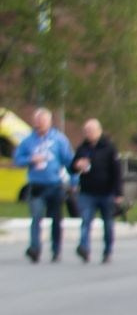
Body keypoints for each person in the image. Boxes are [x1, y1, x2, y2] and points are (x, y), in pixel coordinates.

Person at [15, 108, 74, 264]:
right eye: (37, 121)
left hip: (55, 185)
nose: (39, 124)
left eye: (43, 121)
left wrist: (74, 181)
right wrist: (30, 159)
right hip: (36, 185)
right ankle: (35, 248)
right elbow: (18, 160)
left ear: (49, 122)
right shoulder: (28, 141)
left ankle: (56, 250)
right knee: (36, 217)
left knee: (56, 219)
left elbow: (69, 161)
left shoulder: (59, 140)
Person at [72, 118, 123, 265]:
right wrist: (77, 165)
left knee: (107, 224)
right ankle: (84, 248)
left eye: (91, 130)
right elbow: (72, 167)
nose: (89, 133)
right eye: (86, 131)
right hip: (87, 192)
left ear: (99, 131)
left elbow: (117, 172)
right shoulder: (82, 148)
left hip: (106, 192)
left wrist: (118, 194)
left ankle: (107, 251)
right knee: (85, 220)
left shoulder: (109, 148)